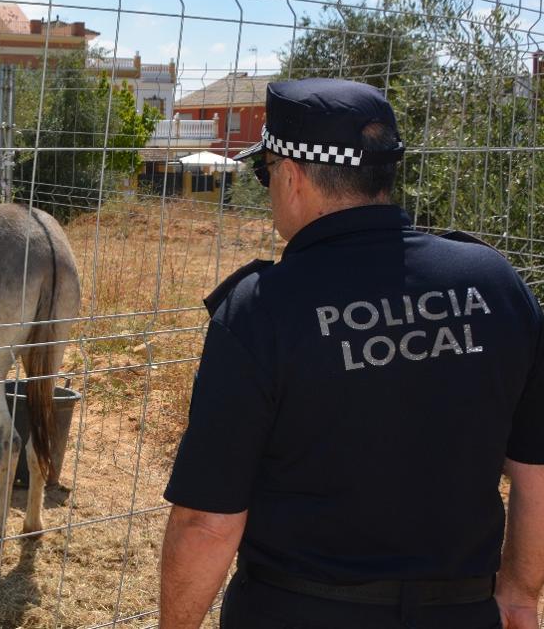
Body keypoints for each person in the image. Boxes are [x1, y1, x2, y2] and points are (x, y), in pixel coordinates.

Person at [159, 78, 544, 628]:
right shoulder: (497, 283)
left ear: (290, 176)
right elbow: (535, 470)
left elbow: (206, 522)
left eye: (263, 171)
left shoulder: (262, 309)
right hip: (460, 613)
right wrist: (520, 596)